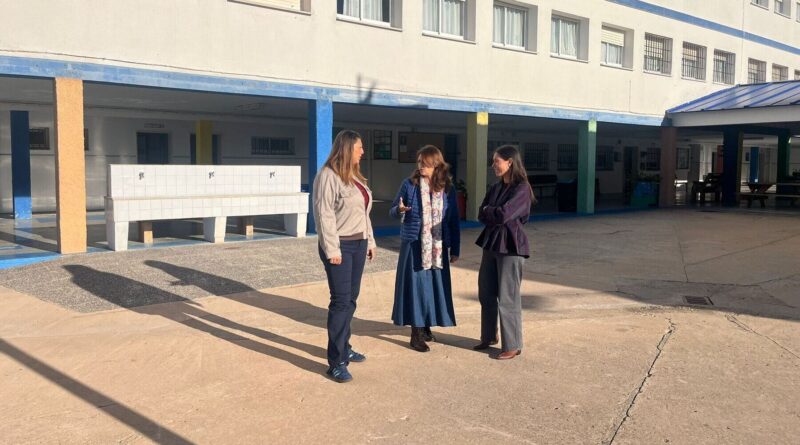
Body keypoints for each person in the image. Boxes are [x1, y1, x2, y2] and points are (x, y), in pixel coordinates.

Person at [313, 129, 377, 383]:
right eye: (359, 147)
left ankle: (345, 346)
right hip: (339, 247)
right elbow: (323, 215)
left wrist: (369, 241)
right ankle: (336, 361)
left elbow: (363, 214)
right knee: (341, 302)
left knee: (351, 300)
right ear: (347, 148)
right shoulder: (328, 176)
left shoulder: (355, 178)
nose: (363, 151)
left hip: (358, 244)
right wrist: (332, 250)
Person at [390, 145, 460, 352]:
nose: (421, 167)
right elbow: (392, 210)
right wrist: (400, 210)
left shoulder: (447, 188)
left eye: (426, 164)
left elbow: (453, 220)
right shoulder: (409, 184)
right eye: (419, 162)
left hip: (437, 247)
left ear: (436, 165)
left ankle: (427, 325)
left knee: (433, 286)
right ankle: (416, 333)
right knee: (416, 287)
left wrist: (455, 248)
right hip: (413, 245)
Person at [474, 145, 535, 360]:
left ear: (510, 162)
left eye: (496, 161)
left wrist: (491, 211)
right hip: (491, 243)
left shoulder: (522, 188)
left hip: (510, 245)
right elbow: (480, 213)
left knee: (508, 296)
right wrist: (491, 212)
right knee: (486, 292)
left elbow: (503, 215)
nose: (493, 165)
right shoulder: (496, 187)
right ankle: (489, 336)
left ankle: (513, 344)